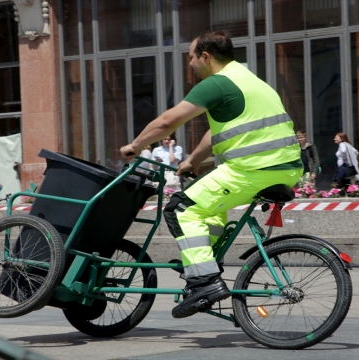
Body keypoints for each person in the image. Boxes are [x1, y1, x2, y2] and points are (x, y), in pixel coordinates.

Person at [120, 30, 302, 319]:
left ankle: (204, 281)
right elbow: (216, 133)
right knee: (208, 206)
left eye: (192, 57)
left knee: (181, 208)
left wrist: (134, 146)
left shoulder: (217, 83)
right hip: (285, 168)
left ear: (206, 56)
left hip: (251, 169)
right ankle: (203, 261)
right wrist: (193, 160)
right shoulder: (251, 80)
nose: (190, 63)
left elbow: (168, 121)